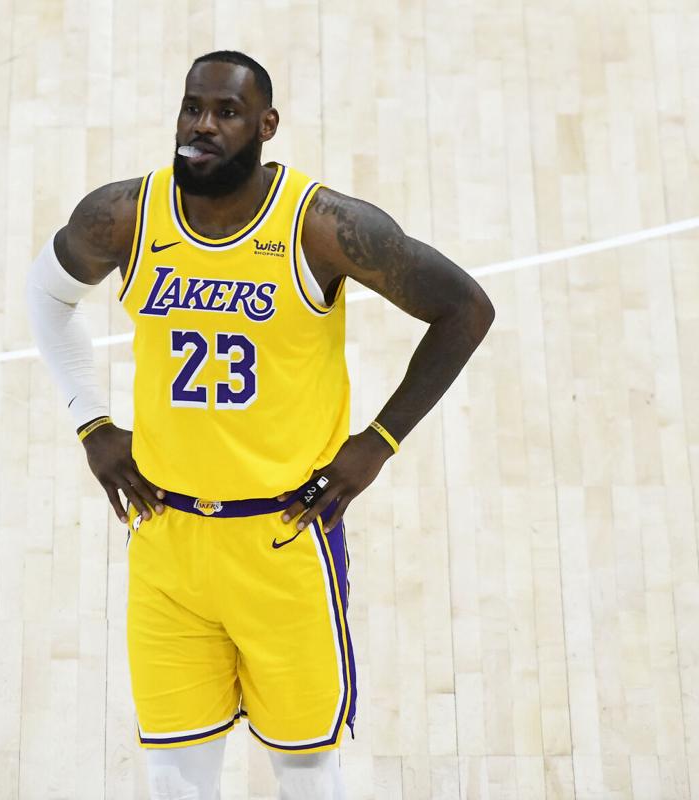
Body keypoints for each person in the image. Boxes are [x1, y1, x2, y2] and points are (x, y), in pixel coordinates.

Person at [26, 50, 494, 800]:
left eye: (227, 112)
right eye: (192, 107)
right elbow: (46, 297)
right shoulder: (122, 217)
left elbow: (464, 310)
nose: (202, 126)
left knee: (306, 773)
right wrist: (92, 422)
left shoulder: (322, 228)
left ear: (266, 125)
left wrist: (378, 442)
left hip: (283, 542)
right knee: (174, 777)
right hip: (167, 540)